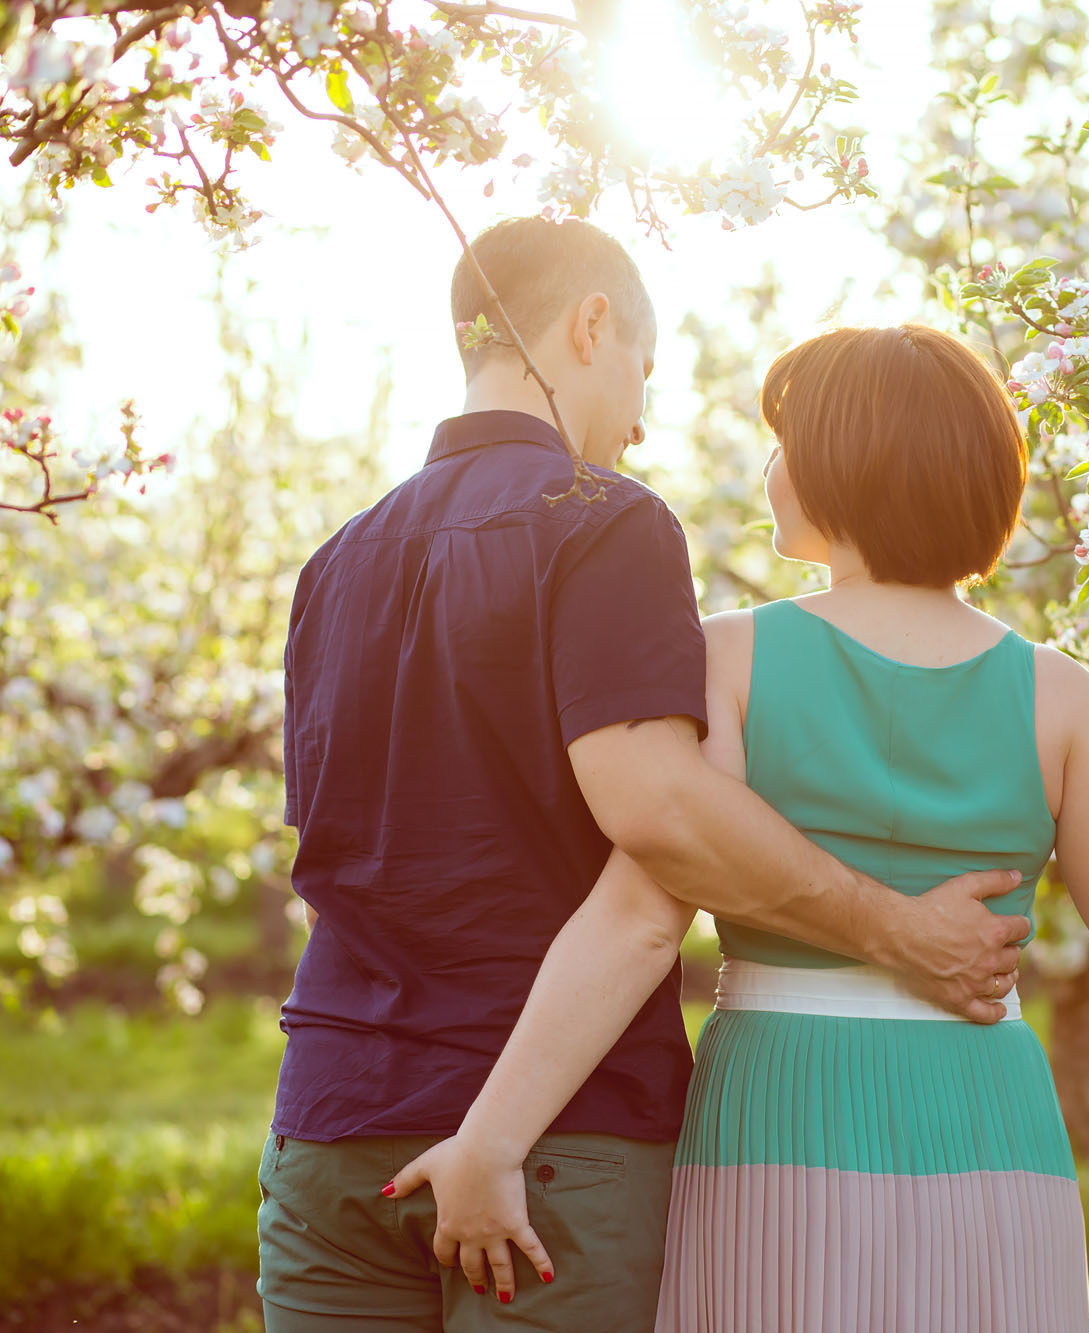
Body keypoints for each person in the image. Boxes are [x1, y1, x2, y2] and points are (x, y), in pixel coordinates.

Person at [390, 323, 1089, 1331]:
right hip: (984, 1111)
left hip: (778, 1095)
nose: (769, 464)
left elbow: (637, 913)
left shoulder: (725, 660)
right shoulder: (1059, 697)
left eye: (784, 437)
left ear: (842, 462)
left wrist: (492, 1138)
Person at [260, 224, 1026, 1333]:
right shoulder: (601, 520)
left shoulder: (336, 561)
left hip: (330, 1128)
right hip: (553, 1139)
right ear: (589, 326)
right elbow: (659, 810)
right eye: (641, 374)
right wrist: (892, 927)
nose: (640, 421)